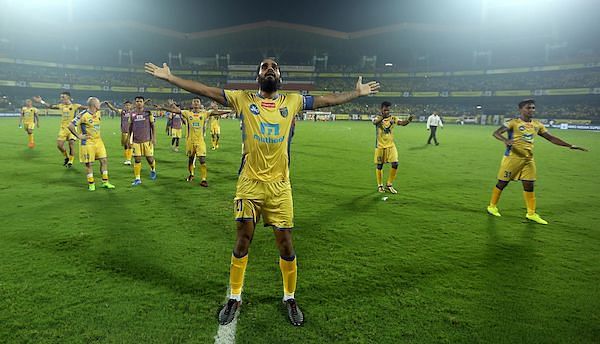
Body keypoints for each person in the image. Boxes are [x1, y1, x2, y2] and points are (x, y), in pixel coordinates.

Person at [145, 58, 379, 326]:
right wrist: (171, 78)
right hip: (249, 183)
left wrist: (356, 93)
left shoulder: (293, 101)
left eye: (275, 67)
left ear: (280, 77)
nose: (270, 69)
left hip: (280, 186)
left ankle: (289, 297)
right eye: (264, 66)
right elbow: (206, 91)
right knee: (243, 239)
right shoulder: (242, 99)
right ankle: (234, 297)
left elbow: (328, 100)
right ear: (257, 76)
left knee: (286, 244)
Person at [486, 99, 587, 224]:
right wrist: (505, 140)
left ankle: (531, 213)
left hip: (528, 159)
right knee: (502, 183)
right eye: (528, 108)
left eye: (533, 108)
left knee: (529, 185)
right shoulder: (513, 123)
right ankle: (492, 206)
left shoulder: (537, 125)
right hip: (512, 158)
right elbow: (496, 133)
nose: (531, 110)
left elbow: (550, 138)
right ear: (521, 109)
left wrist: (569, 145)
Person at [68, 97, 115, 191]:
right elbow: (70, 125)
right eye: (98, 104)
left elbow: (100, 104)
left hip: (98, 141)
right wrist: (78, 136)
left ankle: (105, 182)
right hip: (87, 143)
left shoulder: (98, 112)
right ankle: (91, 183)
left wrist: (106, 102)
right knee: (89, 164)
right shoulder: (83, 115)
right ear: (94, 105)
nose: (100, 105)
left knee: (104, 161)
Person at [34, 92, 85, 167]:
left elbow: (87, 108)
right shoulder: (61, 106)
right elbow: (51, 106)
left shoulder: (75, 106)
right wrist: (41, 101)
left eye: (63, 97)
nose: (61, 99)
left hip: (72, 128)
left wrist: (97, 105)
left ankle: (70, 161)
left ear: (68, 98)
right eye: (61, 97)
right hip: (63, 128)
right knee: (59, 145)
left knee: (71, 144)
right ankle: (66, 157)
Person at [372, 102, 413, 194]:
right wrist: (383, 117)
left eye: (388, 110)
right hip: (380, 146)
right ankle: (380, 186)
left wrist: (408, 121)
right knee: (379, 166)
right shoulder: (377, 117)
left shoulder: (393, 118)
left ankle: (389, 184)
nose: (387, 111)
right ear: (381, 109)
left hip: (391, 145)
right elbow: (375, 122)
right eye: (385, 110)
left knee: (395, 163)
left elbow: (402, 123)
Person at [128, 96, 157, 186]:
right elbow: (130, 127)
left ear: (143, 103)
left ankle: (153, 169)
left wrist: (154, 137)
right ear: (135, 103)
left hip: (147, 140)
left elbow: (152, 126)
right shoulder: (132, 113)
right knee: (137, 159)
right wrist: (129, 139)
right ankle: (137, 178)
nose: (139, 103)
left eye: (140, 101)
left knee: (150, 159)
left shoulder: (148, 113)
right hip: (136, 141)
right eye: (137, 101)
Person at [104, 100, 134, 165]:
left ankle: (128, 159)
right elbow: (114, 109)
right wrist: (108, 104)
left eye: (129, 105)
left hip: (131, 131)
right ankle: (128, 157)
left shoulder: (133, 112)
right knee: (125, 145)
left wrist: (145, 102)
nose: (127, 106)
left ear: (131, 106)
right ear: (124, 106)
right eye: (126, 105)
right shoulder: (122, 112)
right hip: (124, 131)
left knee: (129, 145)